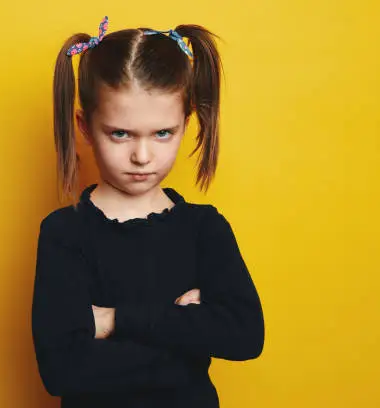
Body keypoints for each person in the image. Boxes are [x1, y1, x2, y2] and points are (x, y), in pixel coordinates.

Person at [31, 16, 264, 408]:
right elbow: (62, 370)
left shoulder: (204, 229)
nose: (142, 156)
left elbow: (244, 336)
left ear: (184, 123)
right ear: (85, 127)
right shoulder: (64, 233)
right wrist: (186, 337)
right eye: (120, 133)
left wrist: (114, 321)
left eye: (162, 133)